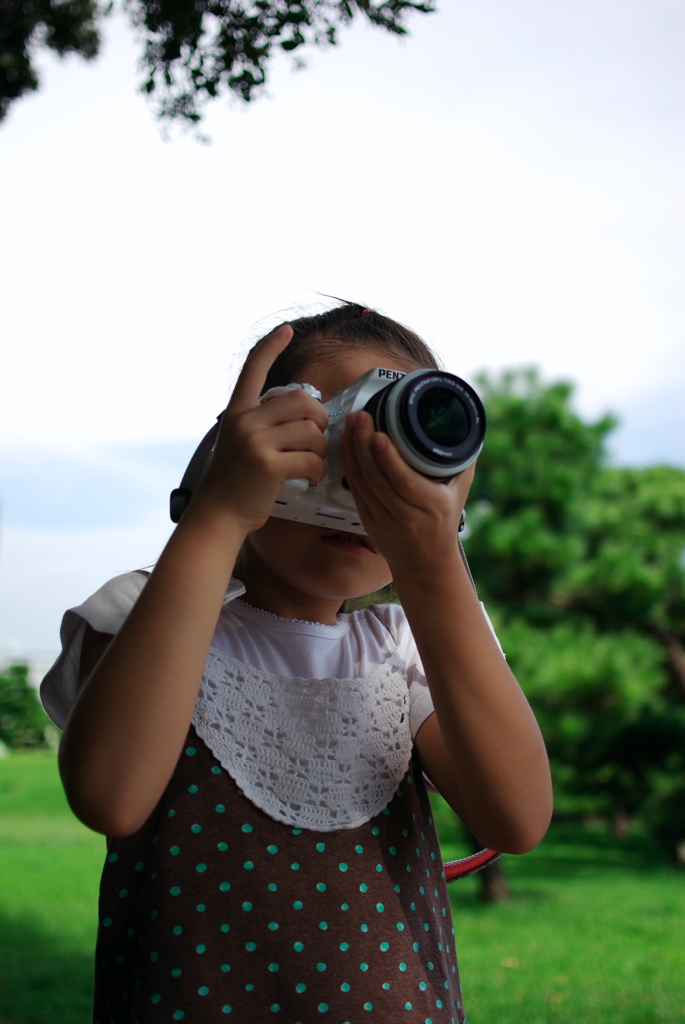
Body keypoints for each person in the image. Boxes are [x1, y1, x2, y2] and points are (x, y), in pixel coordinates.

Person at [42, 301, 553, 1024]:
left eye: (402, 447)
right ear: (249, 441)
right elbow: (111, 796)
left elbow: (517, 818)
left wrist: (435, 560)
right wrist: (215, 513)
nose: (367, 475)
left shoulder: (402, 648)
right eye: (337, 440)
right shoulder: (143, 615)